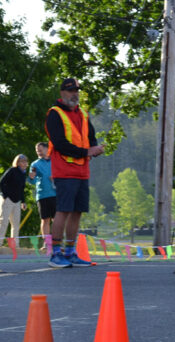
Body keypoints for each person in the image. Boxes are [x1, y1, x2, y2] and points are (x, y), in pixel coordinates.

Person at [44, 78, 105, 267]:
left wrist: (95, 148)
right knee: (63, 210)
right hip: (64, 170)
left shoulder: (83, 114)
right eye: (70, 91)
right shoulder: (55, 114)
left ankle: (70, 252)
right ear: (62, 93)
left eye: (76, 91)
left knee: (78, 211)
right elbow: (60, 144)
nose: (74, 94)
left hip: (82, 171)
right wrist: (86, 152)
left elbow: (91, 137)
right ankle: (55, 254)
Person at [0, 154, 29, 247]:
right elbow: (1, 182)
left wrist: (23, 201)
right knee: (3, 221)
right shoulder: (12, 170)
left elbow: (22, 189)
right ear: (17, 162)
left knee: (16, 223)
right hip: (7, 199)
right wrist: (5, 195)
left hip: (17, 201)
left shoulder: (23, 173)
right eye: (22, 161)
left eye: (26, 161)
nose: (25, 163)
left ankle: (14, 244)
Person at [27, 142, 56, 250]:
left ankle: (57, 242)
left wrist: (55, 178)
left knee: (57, 219)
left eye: (40, 149)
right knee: (45, 219)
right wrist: (31, 177)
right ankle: (47, 243)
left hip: (56, 193)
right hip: (42, 194)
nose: (38, 151)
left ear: (47, 149)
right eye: (36, 149)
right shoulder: (35, 164)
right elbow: (33, 181)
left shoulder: (55, 161)